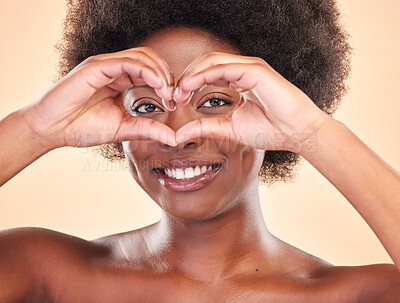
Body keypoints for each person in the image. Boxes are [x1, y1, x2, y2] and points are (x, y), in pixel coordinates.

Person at [0, 0, 399, 301]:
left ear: (275, 106)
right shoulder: (42, 269)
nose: (178, 134)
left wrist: (312, 131)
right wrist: (36, 127)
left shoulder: (355, 294)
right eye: (147, 107)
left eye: (214, 102)